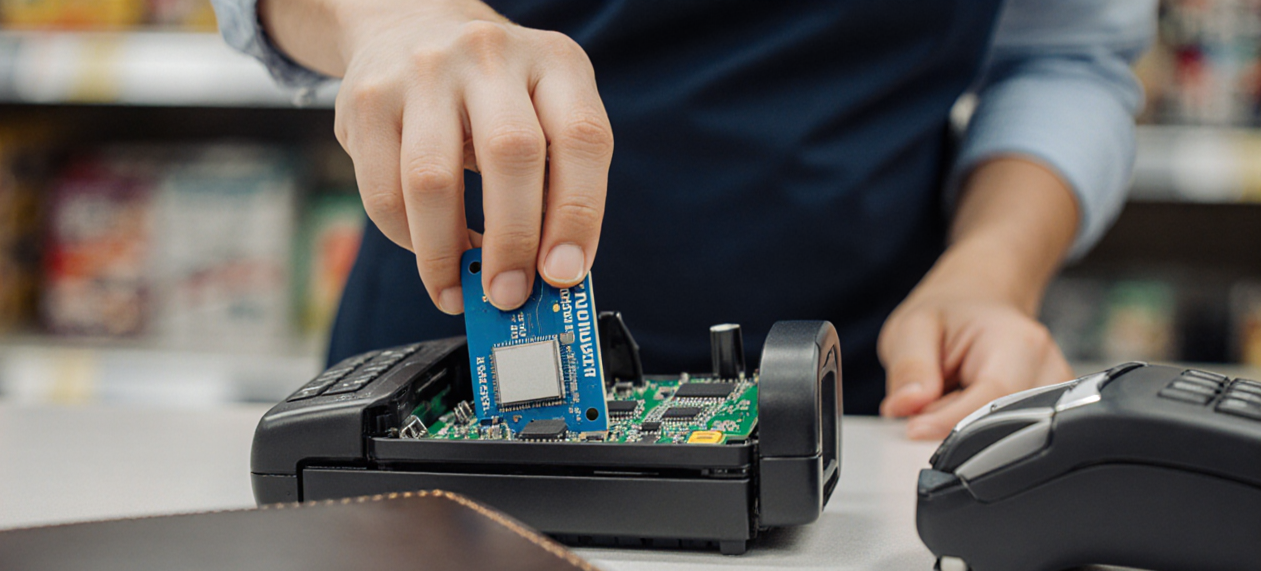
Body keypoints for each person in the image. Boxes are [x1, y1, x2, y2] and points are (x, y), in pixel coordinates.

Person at [214, 0, 1155, 438]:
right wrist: (391, 17)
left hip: (877, 391)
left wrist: (990, 270)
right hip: (447, 376)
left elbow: (1065, 57)